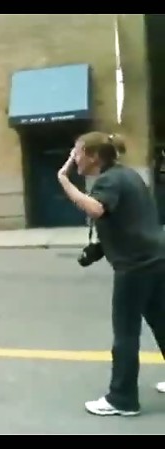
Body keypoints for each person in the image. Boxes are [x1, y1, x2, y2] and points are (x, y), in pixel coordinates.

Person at [57, 131, 165, 416]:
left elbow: (96, 209)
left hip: (135, 266)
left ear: (93, 156)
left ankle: (122, 399)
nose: (74, 157)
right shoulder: (128, 175)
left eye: (78, 152)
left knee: (126, 334)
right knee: (162, 322)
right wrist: (98, 249)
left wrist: (64, 180)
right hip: (156, 259)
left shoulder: (109, 181)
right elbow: (127, 220)